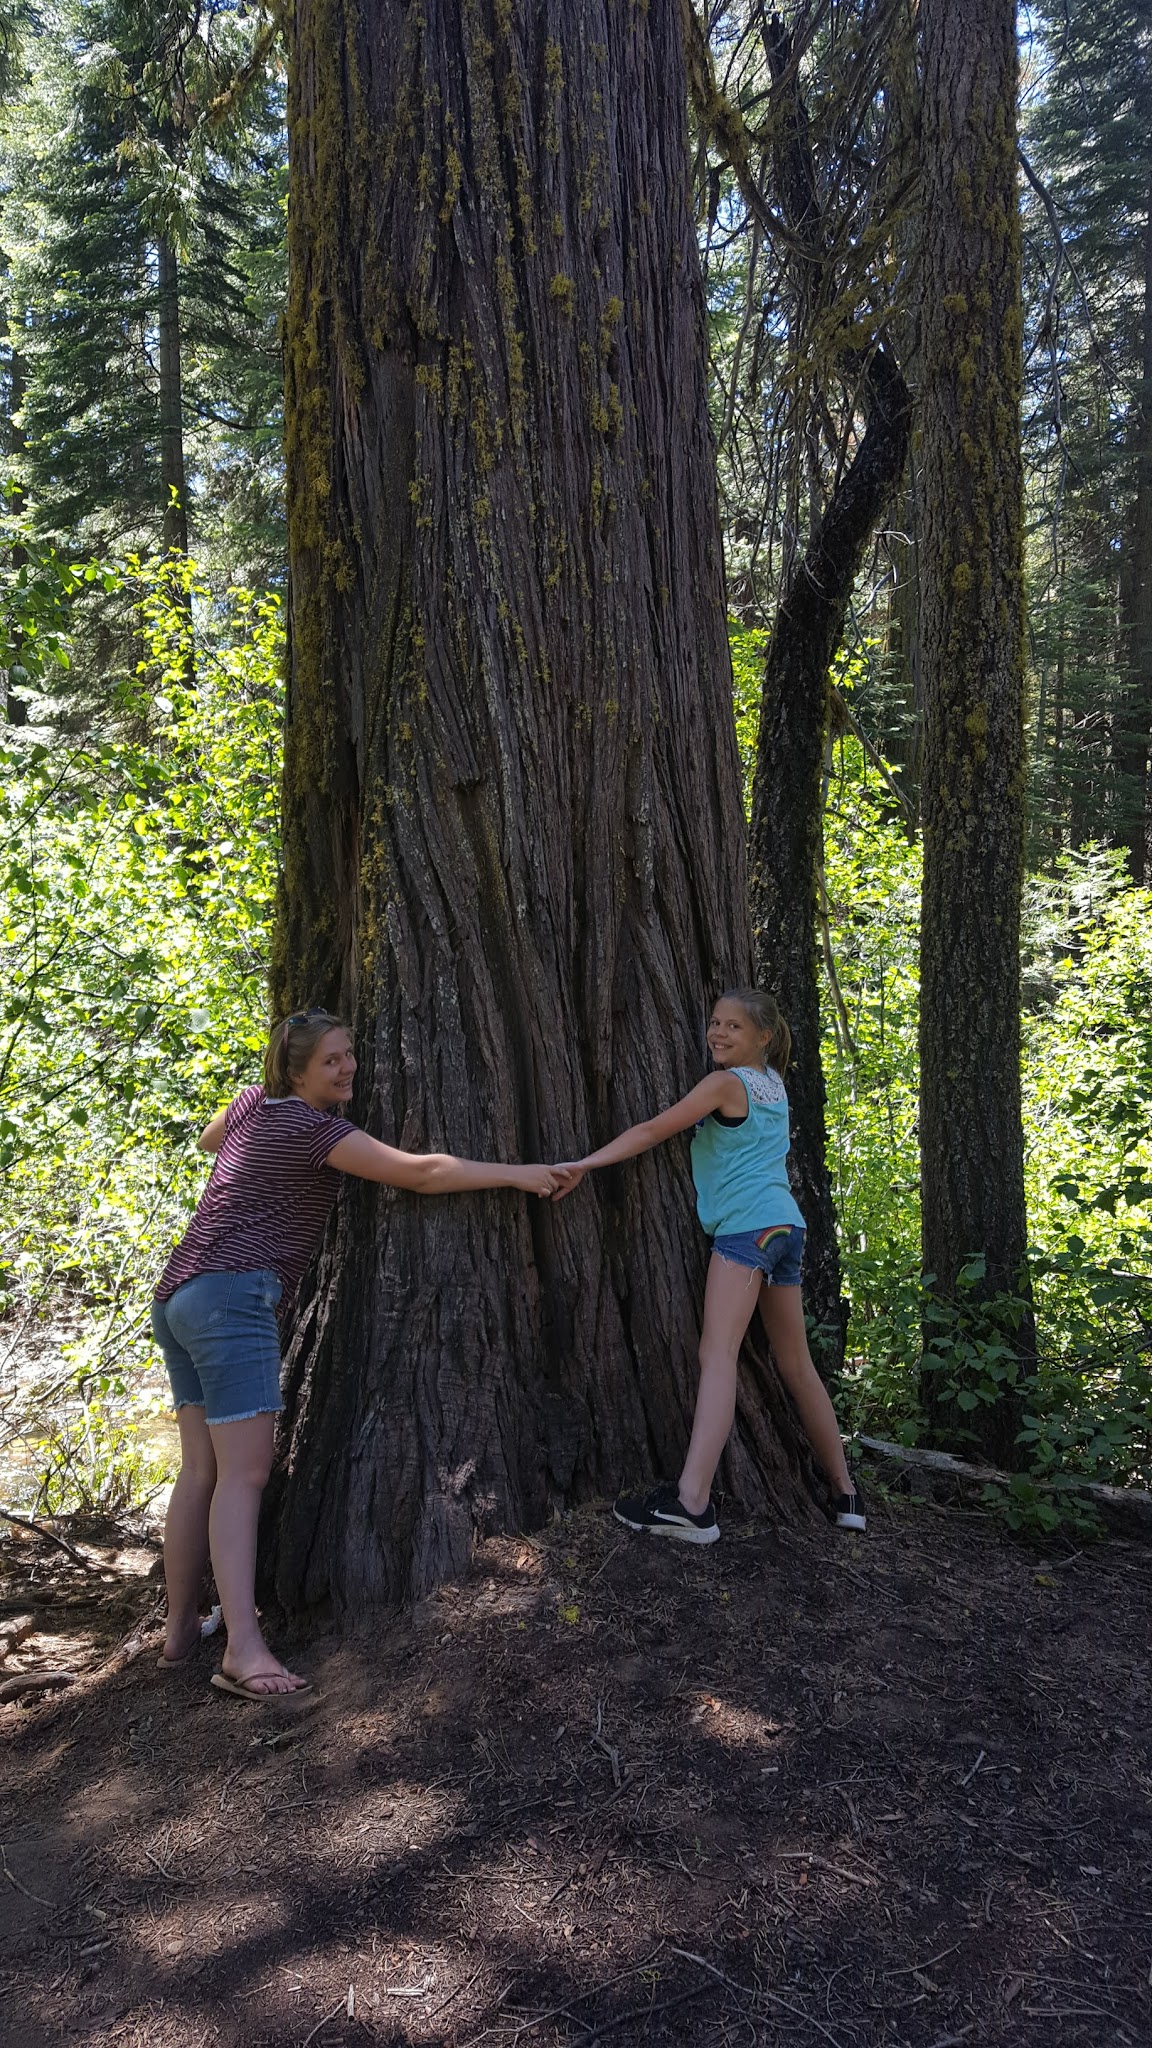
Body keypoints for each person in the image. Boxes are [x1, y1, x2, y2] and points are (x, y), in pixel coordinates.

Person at [151, 1008, 568, 1698]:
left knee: (201, 1470)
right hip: (232, 1298)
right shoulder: (314, 1129)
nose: (347, 1069)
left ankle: (176, 1634)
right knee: (243, 1477)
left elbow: (208, 1139)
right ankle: (242, 1651)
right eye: (330, 1062)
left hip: (180, 1294)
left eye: (348, 1055)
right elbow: (422, 1174)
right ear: (296, 1071)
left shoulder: (257, 1103)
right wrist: (519, 1174)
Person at [554, 989, 863, 1545]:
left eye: (734, 1028)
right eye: (715, 1023)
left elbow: (653, 1130)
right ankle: (846, 1493)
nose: (718, 1034)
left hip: (747, 1229)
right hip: (786, 1229)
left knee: (716, 1355)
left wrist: (585, 1163)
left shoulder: (726, 1084)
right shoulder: (773, 1085)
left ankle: (692, 1505)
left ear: (764, 1036)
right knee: (796, 1363)